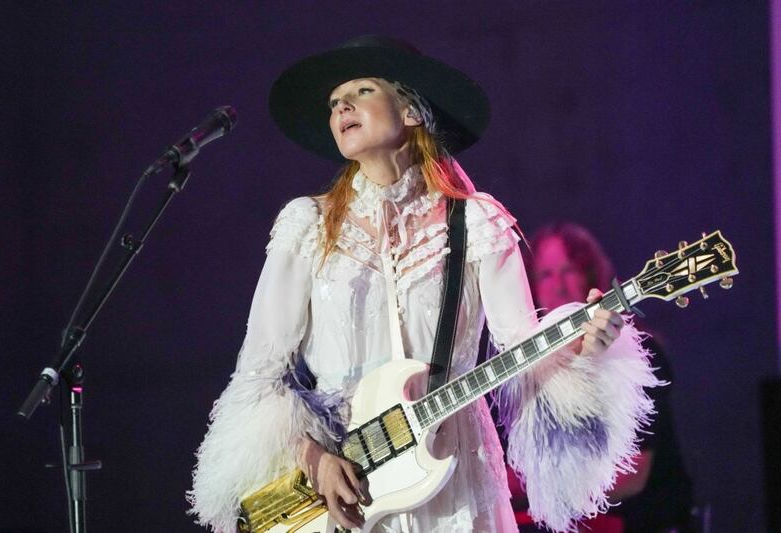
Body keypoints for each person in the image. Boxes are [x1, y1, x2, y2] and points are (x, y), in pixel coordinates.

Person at [186, 35, 658, 533]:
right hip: (344, 483)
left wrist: (583, 345)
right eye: (333, 103)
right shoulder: (306, 225)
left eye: (362, 90)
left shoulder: (476, 221)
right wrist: (315, 460)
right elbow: (258, 379)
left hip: (455, 477)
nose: (341, 105)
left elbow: (521, 347)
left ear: (410, 110)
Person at [510, 223, 694, 533]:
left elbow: (633, 472)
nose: (558, 285)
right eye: (545, 274)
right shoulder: (529, 371)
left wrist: (548, 492)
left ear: (590, 276)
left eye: (568, 270)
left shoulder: (638, 352)